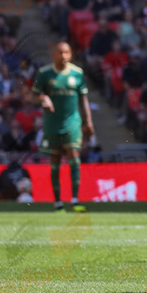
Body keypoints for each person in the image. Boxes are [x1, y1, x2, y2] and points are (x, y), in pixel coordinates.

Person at [31, 42, 95, 212]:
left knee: (74, 158)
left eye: (66, 52)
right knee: (55, 162)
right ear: (54, 54)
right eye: (60, 53)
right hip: (52, 123)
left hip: (73, 123)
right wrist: (43, 99)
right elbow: (33, 96)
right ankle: (58, 202)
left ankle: (75, 200)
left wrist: (88, 121)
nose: (63, 56)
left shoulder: (77, 73)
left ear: (71, 54)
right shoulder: (44, 73)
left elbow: (83, 98)